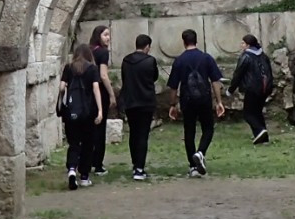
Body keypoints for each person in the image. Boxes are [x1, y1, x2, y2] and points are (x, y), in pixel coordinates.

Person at [165, 29, 225, 176]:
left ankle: (193, 167)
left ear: (184, 42)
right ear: (196, 41)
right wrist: (219, 101)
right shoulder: (206, 58)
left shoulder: (179, 61)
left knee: (189, 131)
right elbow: (215, 81)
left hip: (187, 99)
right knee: (208, 128)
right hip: (204, 98)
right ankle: (200, 152)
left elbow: (173, 86)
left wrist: (173, 104)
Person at [57, 41, 104, 189]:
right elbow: (96, 88)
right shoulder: (92, 69)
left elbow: (62, 86)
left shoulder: (69, 68)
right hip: (88, 112)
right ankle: (84, 176)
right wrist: (100, 110)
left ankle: (71, 169)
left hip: (72, 113)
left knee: (74, 143)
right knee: (88, 144)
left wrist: (62, 100)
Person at [117, 33, 161, 180]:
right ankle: (140, 169)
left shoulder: (126, 61)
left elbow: (124, 78)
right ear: (147, 46)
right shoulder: (150, 61)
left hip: (130, 102)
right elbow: (154, 77)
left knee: (134, 134)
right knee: (143, 134)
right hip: (145, 102)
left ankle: (135, 164)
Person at [231, 32, 276, 144]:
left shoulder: (246, 56)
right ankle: (263, 137)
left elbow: (238, 74)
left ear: (248, 45)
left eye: (243, 43)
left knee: (248, 114)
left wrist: (231, 89)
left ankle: (260, 130)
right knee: (257, 112)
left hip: (252, 89)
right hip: (265, 89)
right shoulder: (263, 56)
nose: (241, 45)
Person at [86, 26, 115, 175]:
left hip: (87, 94)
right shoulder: (103, 53)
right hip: (100, 94)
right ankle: (98, 164)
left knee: (88, 129)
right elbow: (103, 75)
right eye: (105, 35)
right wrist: (111, 94)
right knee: (100, 128)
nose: (108, 38)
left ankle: (86, 161)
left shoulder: (89, 51)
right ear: (98, 36)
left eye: (109, 35)